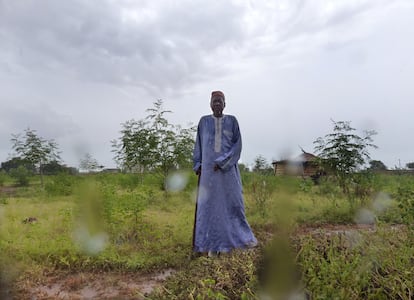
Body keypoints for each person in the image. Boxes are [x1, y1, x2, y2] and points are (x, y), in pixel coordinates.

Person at [192, 90, 257, 256]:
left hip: (228, 173)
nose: (217, 104)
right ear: (210, 104)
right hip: (208, 175)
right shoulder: (204, 122)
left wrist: (222, 163)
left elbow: (238, 146)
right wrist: (198, 163)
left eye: (220, 101)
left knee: (233, 204)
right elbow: (198, 145)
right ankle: (207, 245)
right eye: (214, 101)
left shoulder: (232, 121)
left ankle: (236, 241)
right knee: (209, 207)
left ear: (225, 104)